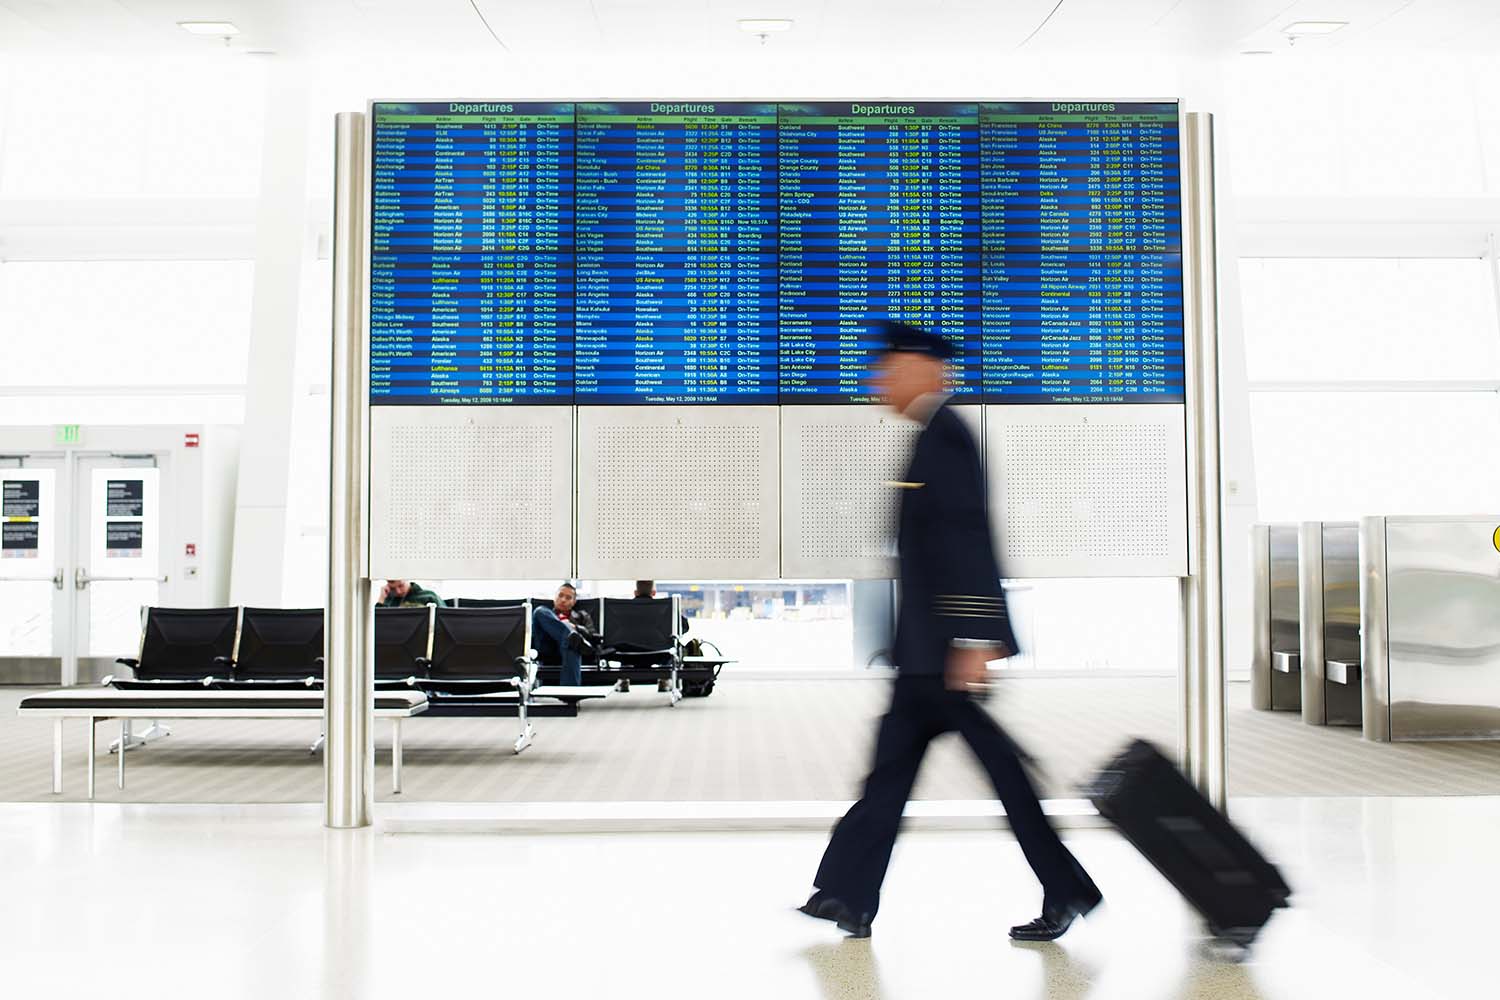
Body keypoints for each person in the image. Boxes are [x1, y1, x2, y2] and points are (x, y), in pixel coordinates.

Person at [799, 320, 1101, 941]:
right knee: (892, 778)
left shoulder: (947, 438)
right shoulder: (929, 438)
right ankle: (848, 897)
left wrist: (972, 640)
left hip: (945, 659)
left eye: (889, 367)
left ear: (924, 370)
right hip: (924, 657)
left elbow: (967, 542)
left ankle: (1066, 889)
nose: (877, 380)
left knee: (1003, 780)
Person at [531, 581, 595, 687]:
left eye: (568, 597)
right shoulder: (546, 614)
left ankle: (569, 694)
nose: (563, 600)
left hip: (569, 649)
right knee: (538, 610)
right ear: (554, 597)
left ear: (574, 602)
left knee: (573, 644)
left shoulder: (582, 615)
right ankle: (570, 636)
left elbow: (592, 636)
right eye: (560, 595)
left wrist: (574, 627)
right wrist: (566, 629)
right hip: (548, 647)